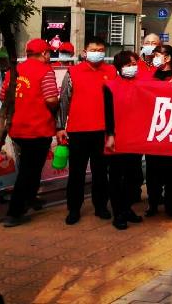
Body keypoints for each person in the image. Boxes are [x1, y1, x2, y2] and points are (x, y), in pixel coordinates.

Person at [57, 37, 117, 225]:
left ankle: (101, 206)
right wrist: (60, 127)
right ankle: (74, 209)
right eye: (93, 49)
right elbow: (63, 100)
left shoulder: (112, 71)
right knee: (77, 173)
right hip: (78, 131)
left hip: (102, 131)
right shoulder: (73, 72)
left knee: (101, 172)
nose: (97, 53)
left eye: (100, 50)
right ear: (84, 52)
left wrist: (113, 132)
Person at [0, 39, 59, 227]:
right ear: (44, 53)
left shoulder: (14, 71)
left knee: (30, 167)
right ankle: (14, 213)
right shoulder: (45, 71)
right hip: (38, 128)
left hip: (17, 128)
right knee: (29, 170)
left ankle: (30, 199)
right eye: (48, 53)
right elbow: (51, 99)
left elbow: (3, 96)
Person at [103, 51, 145, 230]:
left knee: (134, 176)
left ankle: (127, 208)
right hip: (118, 137)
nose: (132, 67)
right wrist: (110, 135)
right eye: (128, 65)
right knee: (116, 176)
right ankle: (118, 213)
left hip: (136, 136)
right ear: (119, 67)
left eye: (134, 64)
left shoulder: (143, 85)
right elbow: (108, 112)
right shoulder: (110, 86)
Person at [145, 45, 172, 217]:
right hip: (153, 130)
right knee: (152, 170)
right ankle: (153, 203)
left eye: (157, 55)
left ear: (167, 58)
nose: (154, 58)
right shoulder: (148, 76)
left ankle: (171, 205)